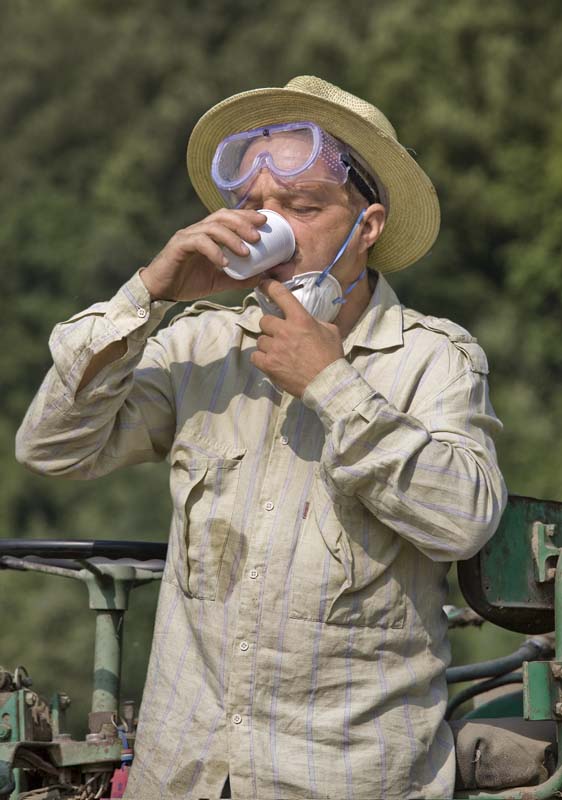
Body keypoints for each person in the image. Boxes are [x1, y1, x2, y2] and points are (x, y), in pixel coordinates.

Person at [16, 75, 507, 799]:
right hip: (183, 777)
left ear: (366, 228)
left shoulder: (432, 358)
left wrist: (331, 385)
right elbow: (53, 446)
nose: (267, 225)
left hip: (347, 781)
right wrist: (148, 292)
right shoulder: (203, 345)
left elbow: (464, 519)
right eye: (251, 208)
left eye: (302, 207)